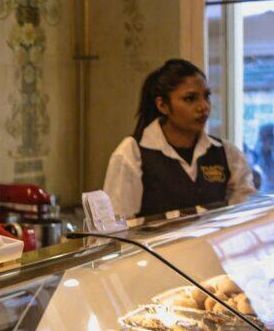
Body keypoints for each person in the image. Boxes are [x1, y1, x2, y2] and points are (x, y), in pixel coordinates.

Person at [104, 59, 255, 219]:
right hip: (154, 244)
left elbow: (244, 211)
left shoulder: (225, 151)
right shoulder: (133, 152)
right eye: (190, 98)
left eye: (207, 96)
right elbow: (118, 226)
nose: (203, 106)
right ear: (162, 105)